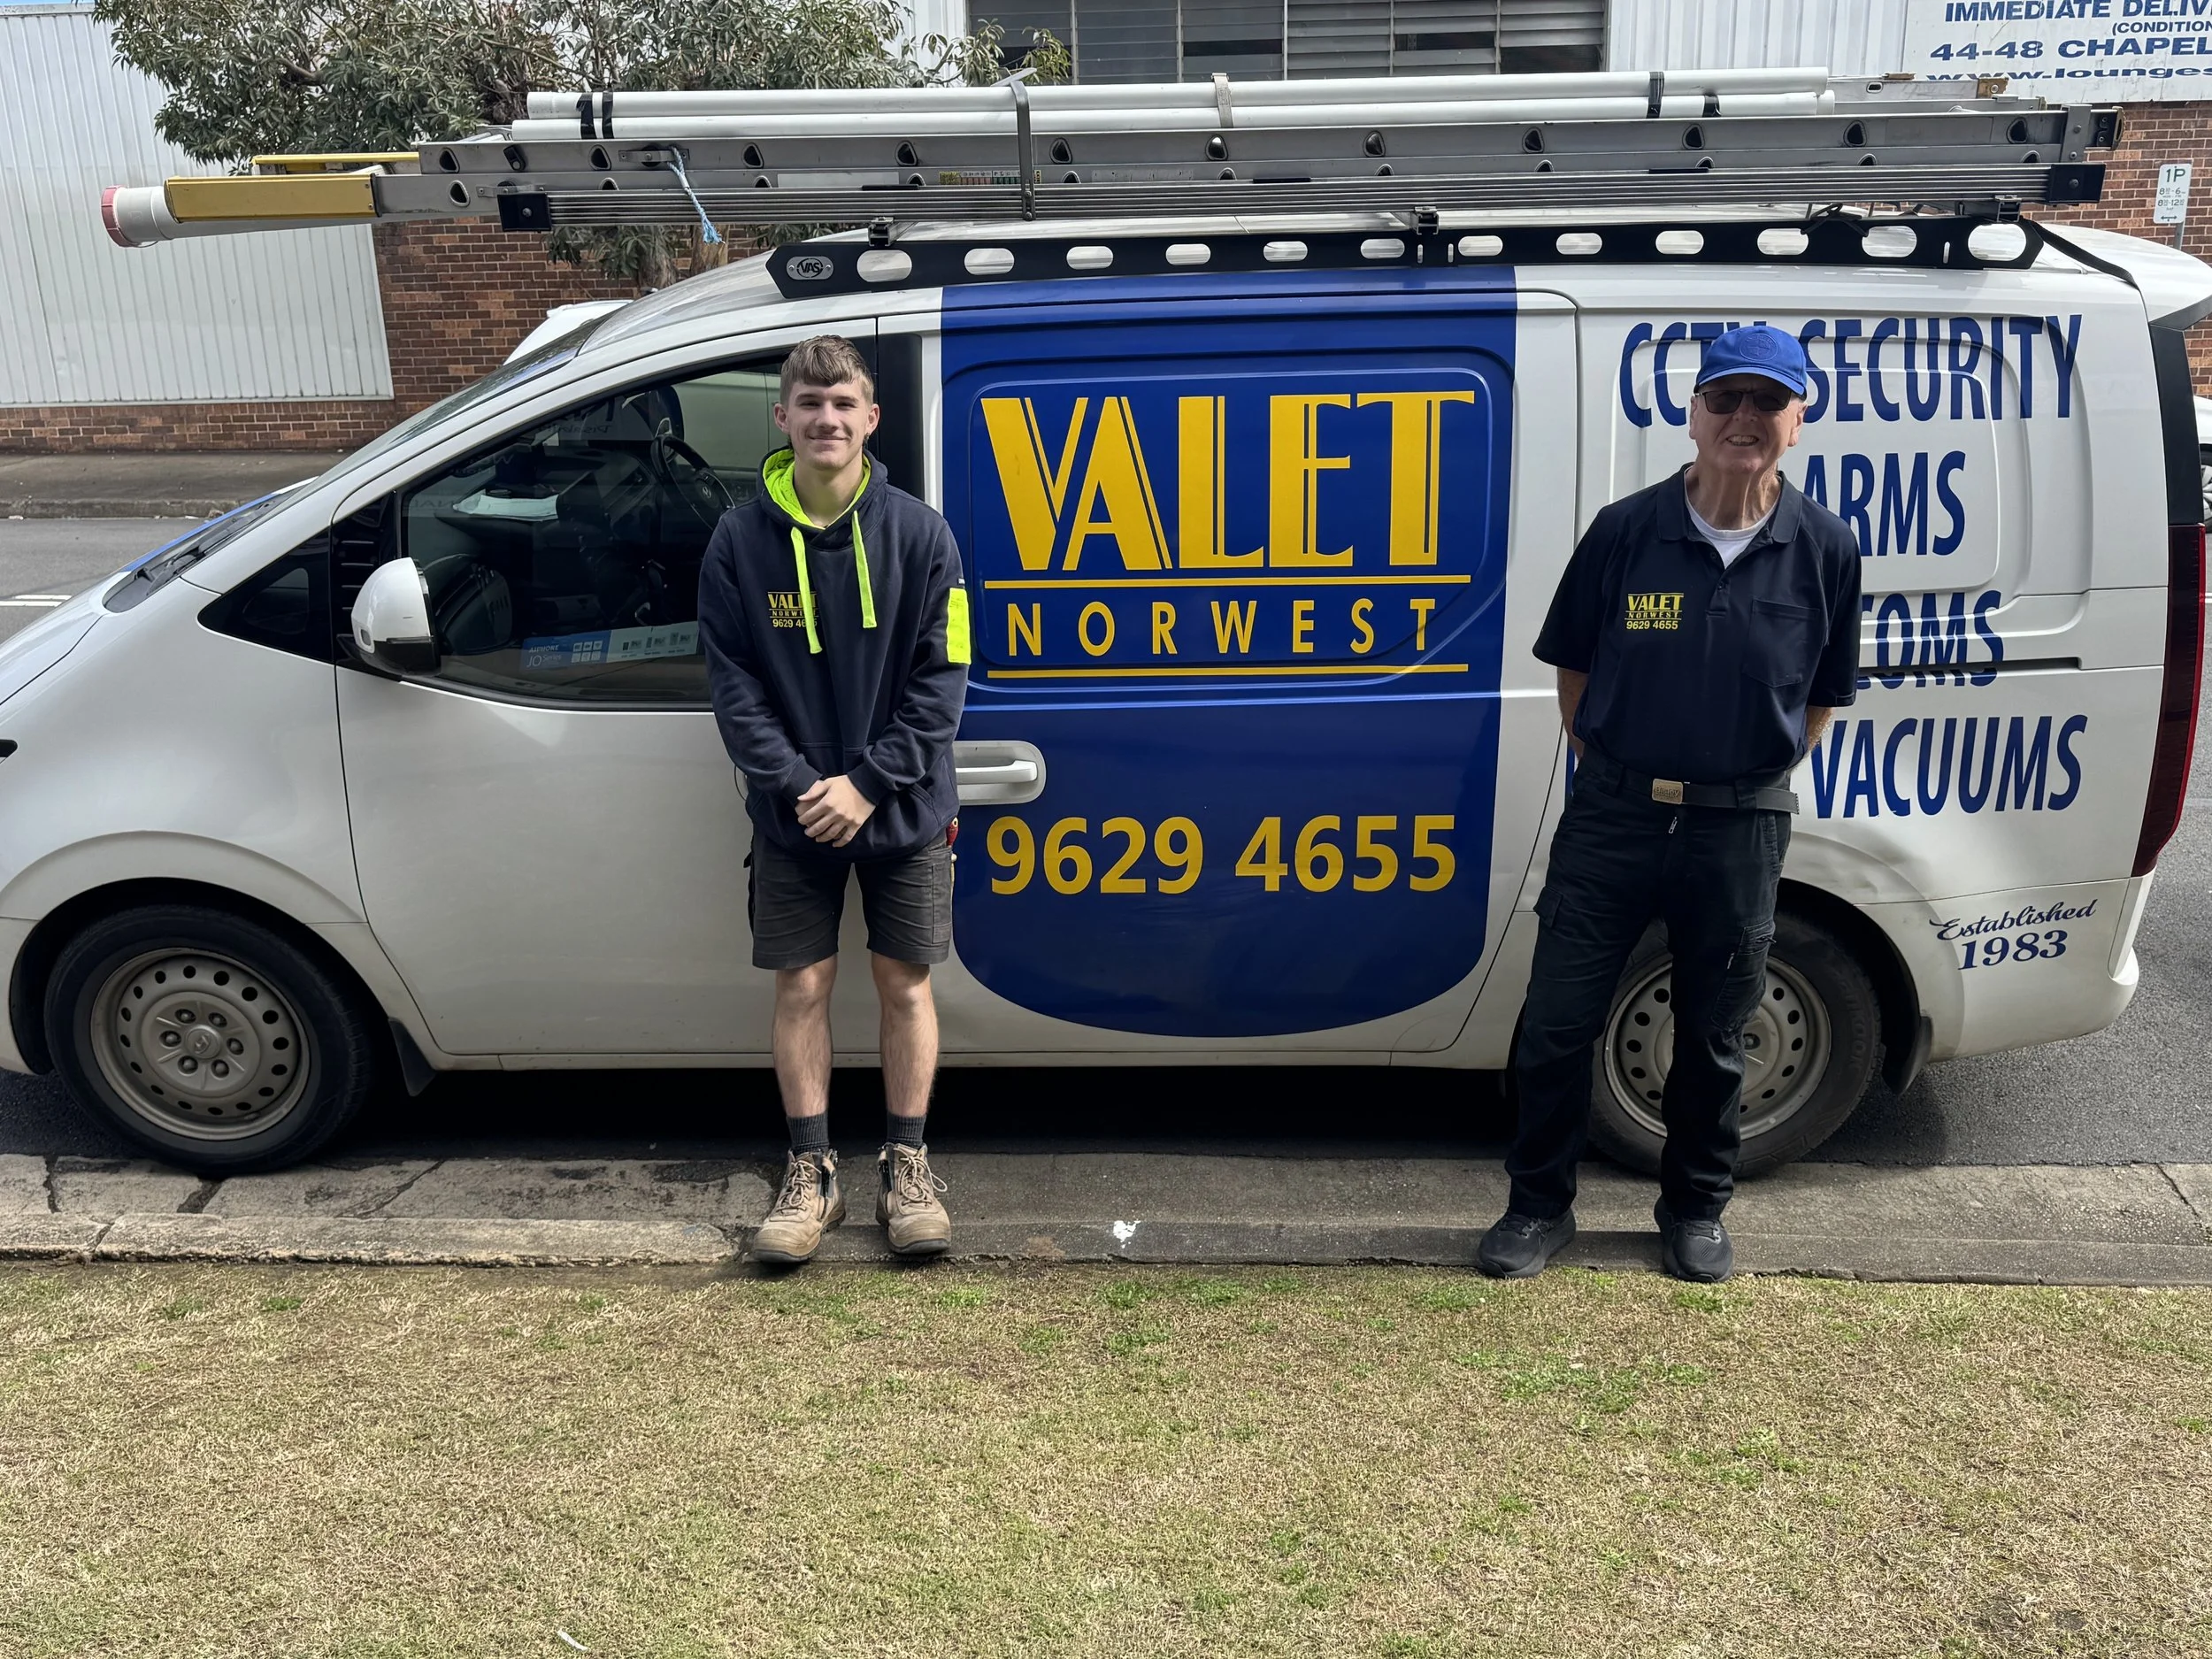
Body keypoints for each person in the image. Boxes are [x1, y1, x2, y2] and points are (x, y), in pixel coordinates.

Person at [1479, 324, 1861, 1285]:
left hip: (1738, 826)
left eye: (1765, 403)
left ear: (1797, 422)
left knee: (1717, 1031)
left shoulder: (1823, 547)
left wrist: (1741, 778)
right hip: (1614, 817)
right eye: (1724, 400)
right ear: (1691, 415)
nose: (1742, 419)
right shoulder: (1625, 530)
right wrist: (1621, 769)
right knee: (1557, 1022)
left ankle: (1694, 1209)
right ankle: (1536, 1207)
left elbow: (1821, 694)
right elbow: (1573, 668)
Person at [698, 334, 972, 1267]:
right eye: (809, 403)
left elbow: (945, 684)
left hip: (901, 811)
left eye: (843, 403)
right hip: (792, 814)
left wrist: (865, 784)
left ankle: (907, 1166)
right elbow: (732, 685)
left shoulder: (924, 536)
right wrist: (802, 786)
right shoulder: (738, 541)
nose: (826, 419)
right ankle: (812, 1172)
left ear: (871, 418)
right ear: (782, 417)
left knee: (904, 985)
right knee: (802, 985)